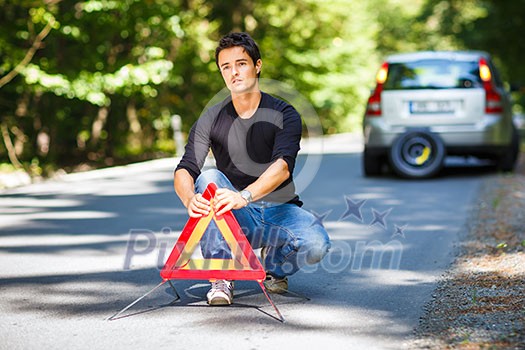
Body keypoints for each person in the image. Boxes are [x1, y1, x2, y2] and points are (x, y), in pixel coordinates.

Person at [174, 32, 331, 306]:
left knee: (317, 243)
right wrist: (189, 199)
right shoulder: (210, 117)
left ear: (257, 65)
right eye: (226, 67)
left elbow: (282, 167)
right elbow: (186, 168)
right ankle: (221, 276)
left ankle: (274, 266)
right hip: (235, 216)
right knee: (209, 177)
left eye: (241, 63)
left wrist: (244, 195)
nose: (234, 72)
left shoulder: (284, 113)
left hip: (278, 210)